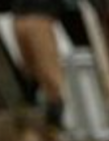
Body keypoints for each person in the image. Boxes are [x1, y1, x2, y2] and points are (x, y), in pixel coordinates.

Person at [12, 0, 68, 130]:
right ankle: (49, 127)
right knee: (41, 74)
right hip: (31, 18)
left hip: (29, 18)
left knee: (40, 73)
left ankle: (47, 126)